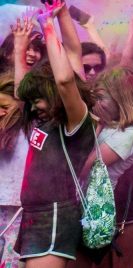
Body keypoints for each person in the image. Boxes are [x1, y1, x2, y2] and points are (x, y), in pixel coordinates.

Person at [16, 9, 94, 267]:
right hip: (34, 216)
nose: (33, 105)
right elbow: (21, 93)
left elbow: (64, 80)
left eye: (38, 98)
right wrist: (20, 48)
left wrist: (49, 24)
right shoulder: (44, 120)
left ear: (53, 94)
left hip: (55, 216)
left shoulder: (75, 120)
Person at [88, 66, 133, 267]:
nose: (96, 102)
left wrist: (98, 123)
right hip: (90, 203)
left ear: (121, 99)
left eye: (101, 97)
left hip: (98, 207)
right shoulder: (112, 125)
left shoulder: (131, 133)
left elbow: (84, 166)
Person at [0, 74, 28, 267]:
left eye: (5, 107)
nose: (1, 112)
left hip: (19, 210)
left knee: (11, 264)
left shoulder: (28, 128)